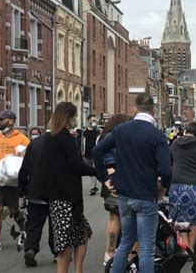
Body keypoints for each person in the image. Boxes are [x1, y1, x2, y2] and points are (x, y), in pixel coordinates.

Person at [93, 93, 172, 273]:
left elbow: (97, 151)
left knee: (126, 242)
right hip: (145, 195)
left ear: (135, 108)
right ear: (153, 109)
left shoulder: (121, 130)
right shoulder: (157, 135)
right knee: (146, 247)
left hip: (124, 195)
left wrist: (104, 179)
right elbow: (166, 170)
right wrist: (163, 186)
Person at [43, 102, 108, 273]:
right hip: (68, 196)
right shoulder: (65, 138)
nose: (76, 119)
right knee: (67, 241)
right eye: (74, 116)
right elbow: (76, 166)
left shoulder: (49, 138)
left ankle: (78, 270)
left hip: (56, 194)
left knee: (80, 233)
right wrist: (99, 172)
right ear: (68, 117)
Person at [0, 110, 30, 253]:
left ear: (10, 121)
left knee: (13, 209)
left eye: (1, 119)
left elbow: (28, 160)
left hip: (12, 181)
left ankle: (23, 229)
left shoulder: (22, 139)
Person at [169, 122, 196, 250]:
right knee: (195, 219)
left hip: (177, 184)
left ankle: (185, 246)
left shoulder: (175, 143)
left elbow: (169, 161)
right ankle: (191, 248)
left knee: (180, 217)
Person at [97, 113, 131, 264]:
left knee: (114, 216)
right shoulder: (118, 137)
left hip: (108, 182)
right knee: (125, 217)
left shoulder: (104, 137)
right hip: (119, 180)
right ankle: (122, 251)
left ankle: (110, 252)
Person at [18, 131, 56, 266]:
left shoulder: (34, 143)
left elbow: (24, 168)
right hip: (55, 192)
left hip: (35, 191)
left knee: (34, 224)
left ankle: (31, 249)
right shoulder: (61, 143)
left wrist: (22, 189)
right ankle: (57, 252)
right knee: (55, 224)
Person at [83, 114, 101, 196]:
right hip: (86, 154)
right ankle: (95, 185)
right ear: (88, 121)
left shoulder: (98, 131)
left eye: (95, 121)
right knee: (89, 171)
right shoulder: (84, 132)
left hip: (95, 154)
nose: (94, 122)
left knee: (94, 169)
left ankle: (93, 187)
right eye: (93, 120)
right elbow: (81, 143)